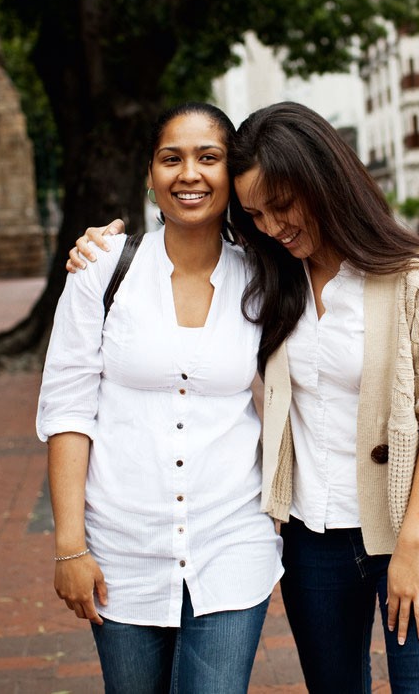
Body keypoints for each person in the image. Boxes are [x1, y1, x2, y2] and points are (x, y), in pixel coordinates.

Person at [68, 101, 419, 694]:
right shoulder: (273, 279)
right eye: (256, 213)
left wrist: (413, 547)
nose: (272, 226)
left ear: (324, 182)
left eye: (283, 205)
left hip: (416, 529)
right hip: (313, 536)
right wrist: (100, 246)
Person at [38, 102, 281, 694]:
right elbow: (69, 410)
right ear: (150, 174)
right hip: (123, 548)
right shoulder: (100, 270)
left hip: (232, 541)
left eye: (209, 157)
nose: (189, 174)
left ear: (233, 173)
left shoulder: (266, 277)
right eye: (171, 158)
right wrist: (70, 547)